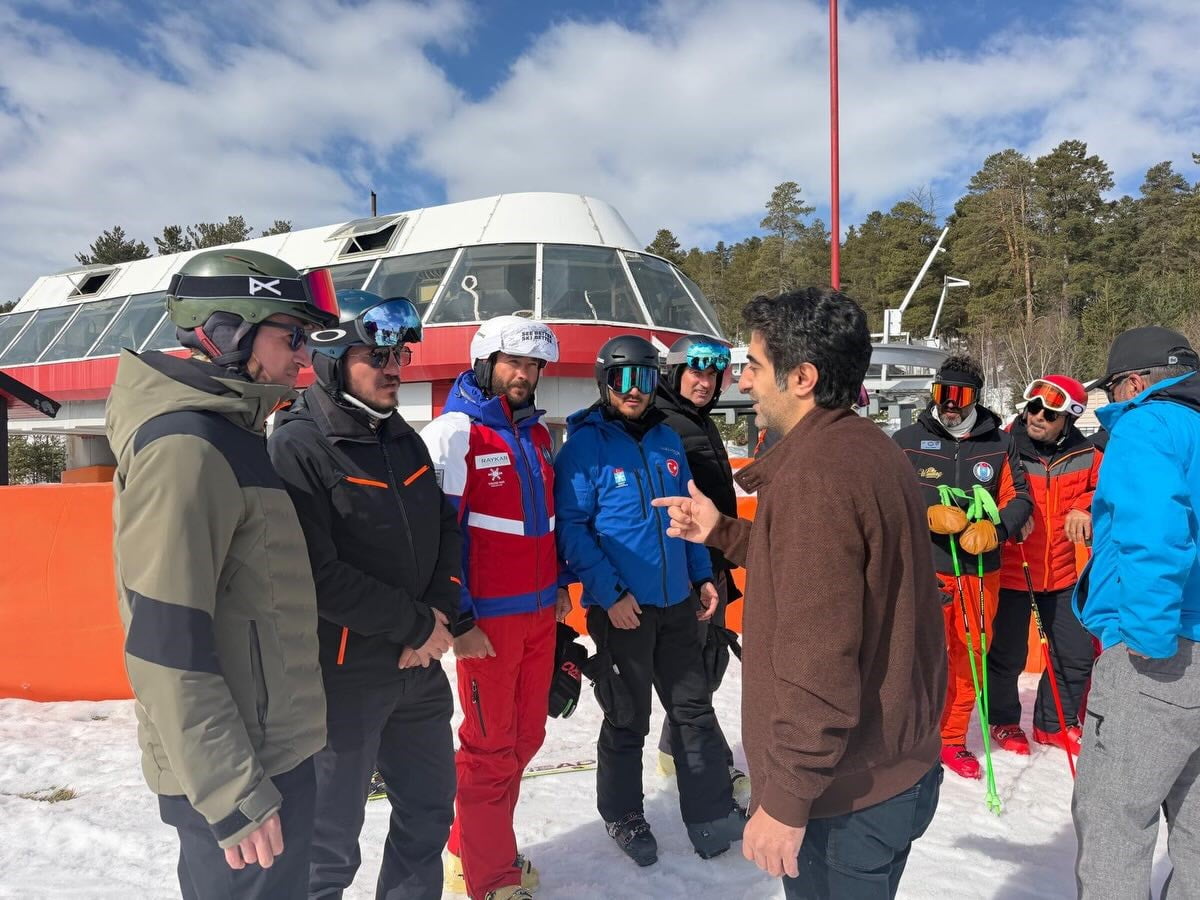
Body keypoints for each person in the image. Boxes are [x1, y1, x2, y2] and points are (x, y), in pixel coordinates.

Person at [653, 288, 945, 899]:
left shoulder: (815, 476)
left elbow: (819, 657)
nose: (743, 382)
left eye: (755, 366)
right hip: (898, 769)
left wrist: (786, 798)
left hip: (844, 799)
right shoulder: (868, 447)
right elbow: (826, 568)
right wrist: (722, 531)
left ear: (802, 378)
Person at [106, 249, 338, 898]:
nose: (304, 356)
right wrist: (232, 791)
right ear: (229, 331)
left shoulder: (235, 435)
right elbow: (164, 640)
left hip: (270, 752)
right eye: (292, 336)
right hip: (239, 773)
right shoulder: (187, 448)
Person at [266, 291, 458, 900]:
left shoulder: (402, 438)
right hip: (343, 679)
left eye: (400, 355)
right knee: (327, 844)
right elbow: (313, 573)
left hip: (419, 668)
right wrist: (414, 625)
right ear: (331, 358)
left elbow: (445, 530)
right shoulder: (298, 445)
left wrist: (437, 616)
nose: (394, 368)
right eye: (377, 356)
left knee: (429, 812)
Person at [554, 335, 745, 868]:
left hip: (678, 603)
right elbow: (572, 530)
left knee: (694, 711)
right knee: (627, 718)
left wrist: (702, 575)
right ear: (605, 382)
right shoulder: (584, 447)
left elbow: (686, 514)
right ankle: (623, 814)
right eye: (623, 379)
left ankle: (710, 813)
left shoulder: (666, 440)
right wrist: (610, 595)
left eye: (643, 379)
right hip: (623, 610)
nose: (634, 390)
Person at [419, 316, 570, 900]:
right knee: (488, 751)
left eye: (533, 366)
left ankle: (472, 848)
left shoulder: (536, 435)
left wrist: (559, 586)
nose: (524, 375)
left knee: (525, 739)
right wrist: (460, 622)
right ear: (486, 363)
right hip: (487, 624)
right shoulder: (455, 433)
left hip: (538, 616)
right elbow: (439, 537)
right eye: (514, 363)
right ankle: (491, 880)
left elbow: (545, 523)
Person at [1073, 326, 1200, 898]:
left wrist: (1144, 640)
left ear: (1132, 383)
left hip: (1162, 654)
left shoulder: (1148, 424)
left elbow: (1155, 537)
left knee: (1115, 827)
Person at [893, 354, 1033, 779]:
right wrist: (925, 513)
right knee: (918, 656)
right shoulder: (906, 440)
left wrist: (998, 528)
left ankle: (952, 739)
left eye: (960, 394)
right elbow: (886, 496)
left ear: (976, 396)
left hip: (978, 569)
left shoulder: (999, 443)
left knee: (970, 655)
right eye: (942, 392)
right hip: (925, 569)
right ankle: (911, 737)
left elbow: (1019, 497)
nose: (950, 403)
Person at [652, 334, 749, 809]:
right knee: (694, 670)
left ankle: (674, 749)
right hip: (687, 567)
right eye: (695, 372)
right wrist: (692, 572)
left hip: (712, 562)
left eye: (713, 374)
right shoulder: (664, 422)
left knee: (710, 664)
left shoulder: (698, 420)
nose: (705, 382)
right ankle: (707, 760)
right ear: (674, 373)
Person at [988, 375, 1101, 756]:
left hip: (1062, 575)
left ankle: (1053, 724)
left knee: (1075, 655)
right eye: (1033, 408)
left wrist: (1084, 507)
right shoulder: (1003, 446)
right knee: (1007, 657)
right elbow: (980, 490)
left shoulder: (1087, 454)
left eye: (1050, 413)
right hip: (1012, 571)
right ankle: (1004, 721)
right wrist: (1009, 515)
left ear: (1068, 419)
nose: (1037, 416)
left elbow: (1108, 490)